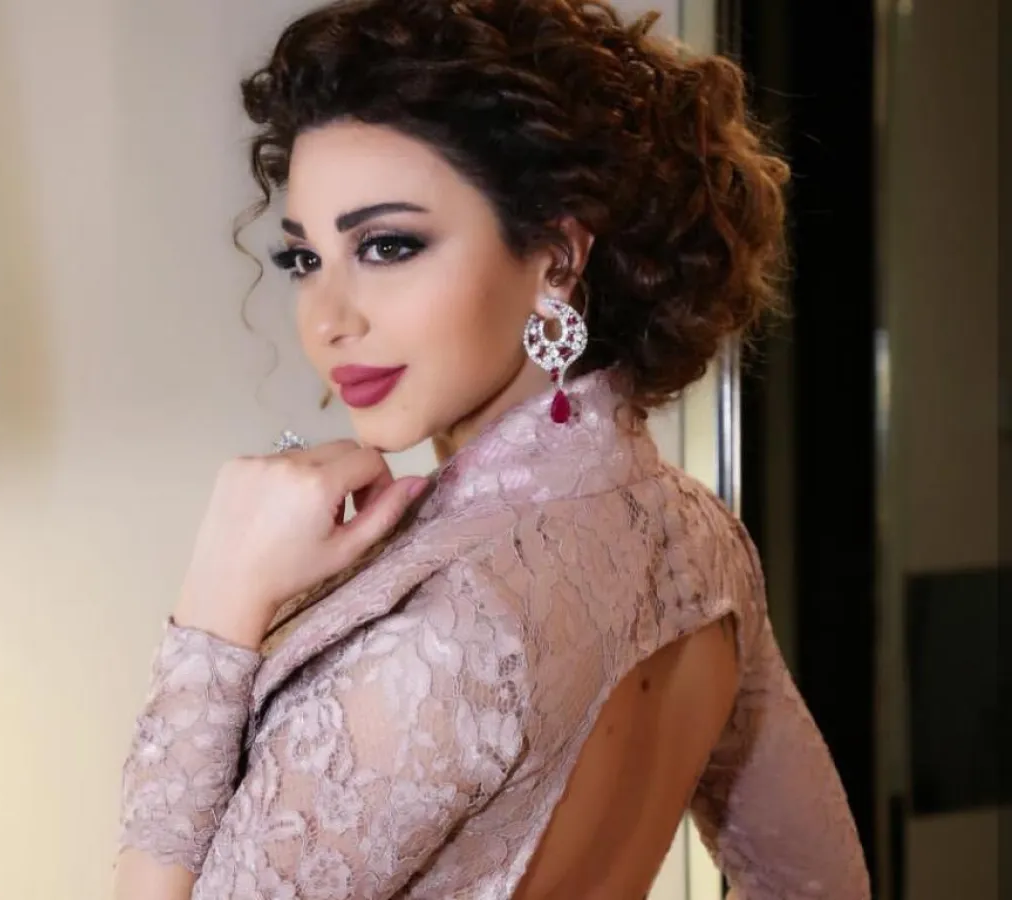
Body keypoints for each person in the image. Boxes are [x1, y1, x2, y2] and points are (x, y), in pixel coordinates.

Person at [112, 1, 870, 897]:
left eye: (388, 246)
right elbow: (822, 884)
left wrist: (217, 604)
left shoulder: (442, 641)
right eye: (305, 260)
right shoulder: (700, 539)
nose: (326, 321)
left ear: (555, 258)